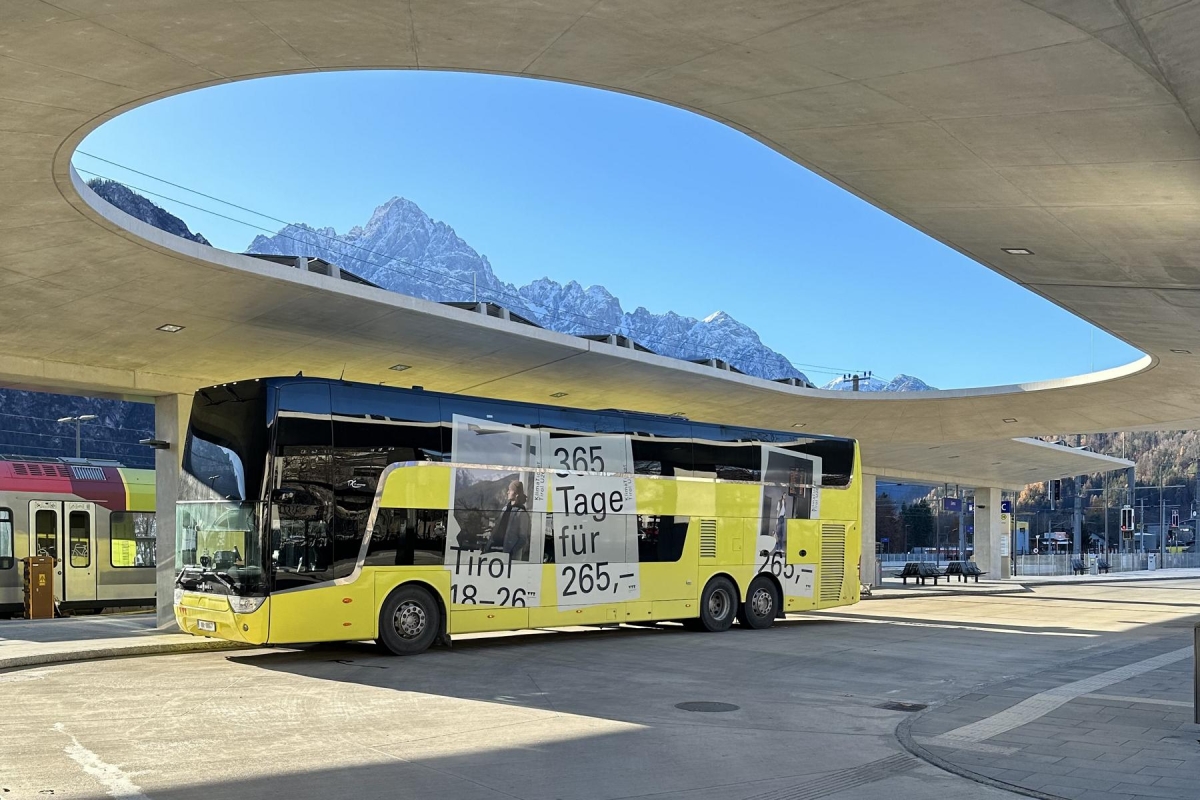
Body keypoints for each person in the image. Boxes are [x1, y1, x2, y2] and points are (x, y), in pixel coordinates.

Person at [486, 480, 530, 560]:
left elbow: (523, 539)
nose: (507, 492)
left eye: (510, 490)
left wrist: (511, 552)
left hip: (507, 556)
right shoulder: (505, 509)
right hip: (494, 550)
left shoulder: (521, 513)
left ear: (516, 494)